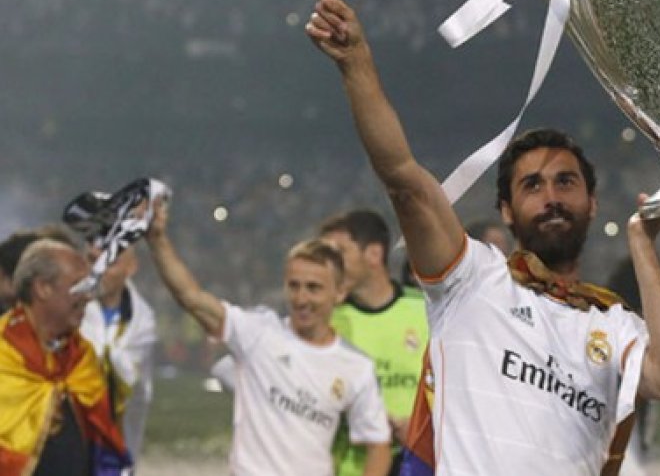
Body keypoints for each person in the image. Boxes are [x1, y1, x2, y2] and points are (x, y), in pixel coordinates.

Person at [287, 0, 660, 475]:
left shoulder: (614, 326)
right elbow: (403, 178)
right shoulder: (471, 279)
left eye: (566, 183)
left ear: (592, 203)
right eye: (532, 185)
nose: (551, 197)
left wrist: (642, 243)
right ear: (506, 212)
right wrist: (357, 65)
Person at [144, 197, 392, 476]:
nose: (301, 298)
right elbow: (191, 297)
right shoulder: (259, 333)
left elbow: (378, 445)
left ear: (339, 293)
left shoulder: (355, 366)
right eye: (294, 286)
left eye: (314, 288)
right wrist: (157, 240)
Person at [0, 239, 127, 475]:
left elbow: (102, 441)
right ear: (43, 288)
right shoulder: (4, 353)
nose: (88, 297)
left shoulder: (81, 357)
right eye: (79, 286)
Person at [318, 209, 428, 476]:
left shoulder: (425, 311)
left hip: (419, 465)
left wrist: (418, 430)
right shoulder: (328, 320)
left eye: (340, 253)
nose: (329, 265)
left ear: (374, 254)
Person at [79, 239, 157, 473]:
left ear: (131, 267)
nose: (98, 270)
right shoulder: (66, 306)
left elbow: (131, 380)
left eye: (110, 262)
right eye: (92, 260)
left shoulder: (142, 321)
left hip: (116, 444)